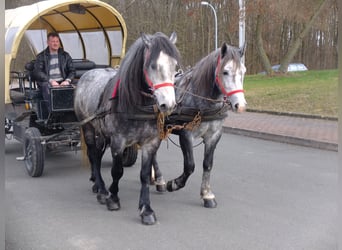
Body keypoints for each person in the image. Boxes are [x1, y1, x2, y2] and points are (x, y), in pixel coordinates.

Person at [33, 32, 75, 113]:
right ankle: (53, 113)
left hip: (63, 81)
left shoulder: (65, 55)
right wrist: (51, 81)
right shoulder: (41, 56)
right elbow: (38, 72)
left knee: (78, 86)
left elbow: (72, 70)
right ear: (48, 42)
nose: (55, 43)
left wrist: (67, 80)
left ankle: (73, 112)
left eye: (57, 41)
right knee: (47, 87)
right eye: (53, 41)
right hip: (47, 82)